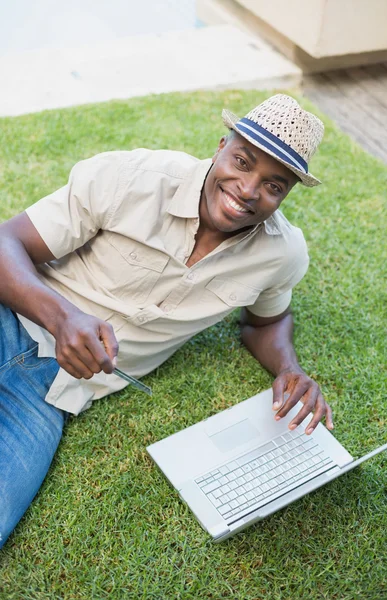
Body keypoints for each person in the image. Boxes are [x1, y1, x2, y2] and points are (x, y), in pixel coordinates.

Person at [0, 94, 333, 548]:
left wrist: (290, 370)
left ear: (286, 193)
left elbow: (264, 323)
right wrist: (62, 319)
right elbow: (7, 243)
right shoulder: (129, 178)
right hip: (12, 317)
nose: (249, 189)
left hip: (53, 394)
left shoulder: (281, 255)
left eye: (274, 185)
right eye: (241, 161)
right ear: (220, 146)